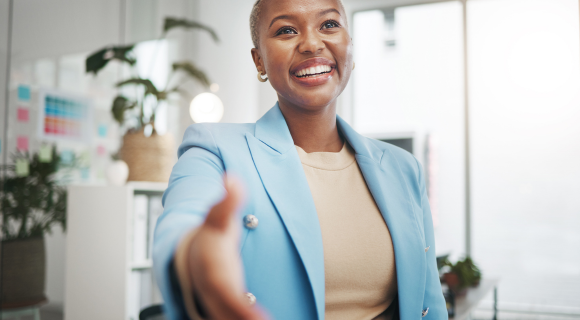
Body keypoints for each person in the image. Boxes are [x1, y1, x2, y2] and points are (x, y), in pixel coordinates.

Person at [153, 0, 447, 319]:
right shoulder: (215, 148)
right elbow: (182, 222)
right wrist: (190, 261)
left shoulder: (403, 168)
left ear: (351, 45)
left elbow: (428, 301)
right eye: (287, 30)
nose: (311, 43)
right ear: (259, 61)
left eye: (329, 25)